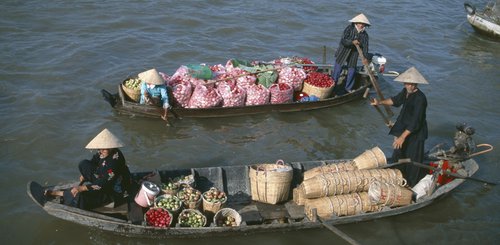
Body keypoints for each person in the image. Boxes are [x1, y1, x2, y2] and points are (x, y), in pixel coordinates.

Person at [45, 128, 132, 210]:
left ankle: (61, 193)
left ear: (112, 147)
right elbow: (94, 161)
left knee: (81, 196)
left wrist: (82, 188)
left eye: (104, 149)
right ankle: (81, 190)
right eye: (100, 149)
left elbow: (104, 182)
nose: (101, 151)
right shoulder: (102, 151)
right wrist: (84, 174)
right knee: (83, 164)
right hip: (103, 177)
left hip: (113, 188)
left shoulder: (114, 161)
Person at [371, 67, 429, 187]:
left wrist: (402, 137)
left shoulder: (420, 99)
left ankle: (411, 185)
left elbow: (415, 122)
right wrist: (379, 103)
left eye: (411, 84)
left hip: (415, 133)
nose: (409, 86)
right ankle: (397, 178)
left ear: (416, 84)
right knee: (398, 155)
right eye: (407, 83)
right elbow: (395, 101)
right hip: (404, 128)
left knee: (413, 160)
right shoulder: (405, 92)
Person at [332, 13, 371, 95]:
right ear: (356, 23)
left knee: (352, 71)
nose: (361, 25)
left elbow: (365, 48)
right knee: (337, 70)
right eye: (360, 23)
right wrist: (352, 42)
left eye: (363, 24)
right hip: (343, 51)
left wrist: (365, 58)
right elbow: (343, 40)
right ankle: (332, 87)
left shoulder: (364, 35)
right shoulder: (349, 29)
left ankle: (348, 88)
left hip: (354, 53)